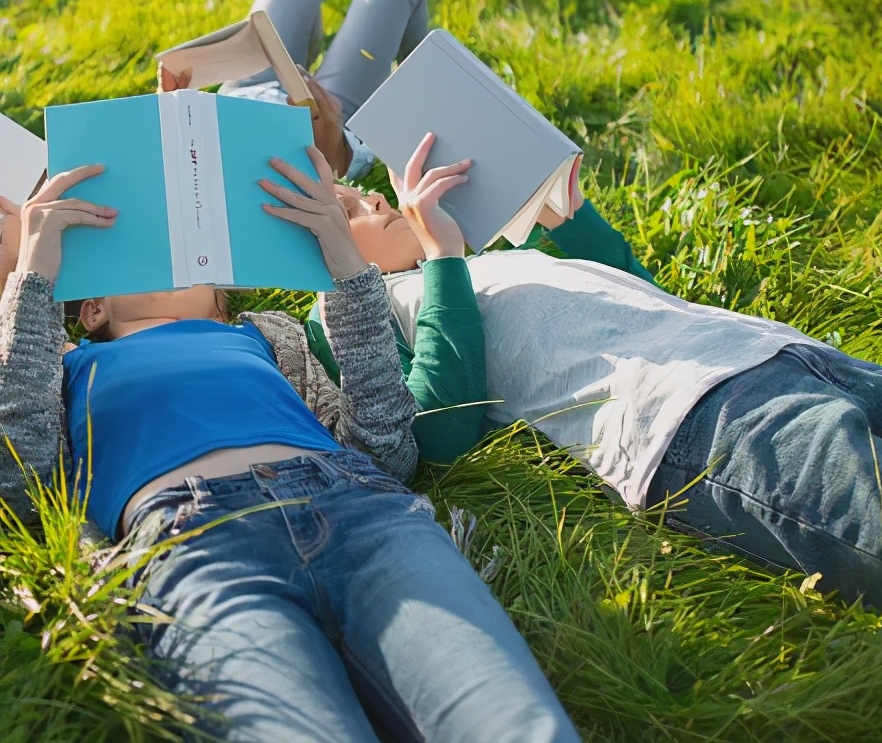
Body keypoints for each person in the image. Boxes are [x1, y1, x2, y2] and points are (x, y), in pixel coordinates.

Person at [0, 144, 580, 743]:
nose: (166, 257)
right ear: (93, 307)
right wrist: (33, 279)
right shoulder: (66, 365)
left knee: (517, 728)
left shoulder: (269, 339)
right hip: (191, 543)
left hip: (361, 512)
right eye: (140, 256)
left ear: (221, 298)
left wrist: (345, 268)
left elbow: (386, 450)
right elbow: (21, 482)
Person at [307, 173, 882, 623]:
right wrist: (441, 259)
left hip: (783, 354)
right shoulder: (367, 306)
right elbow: (441, 428)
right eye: (351, 207)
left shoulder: (484, 260)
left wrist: (571, 219)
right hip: (701, 424)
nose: (375, 195)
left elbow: (642, 292)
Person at [160, 0, 432, 182]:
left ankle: (301, 59)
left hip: (246, 93)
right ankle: (431, 87)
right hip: (317, 135)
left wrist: (171, 113)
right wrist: (335, 150)